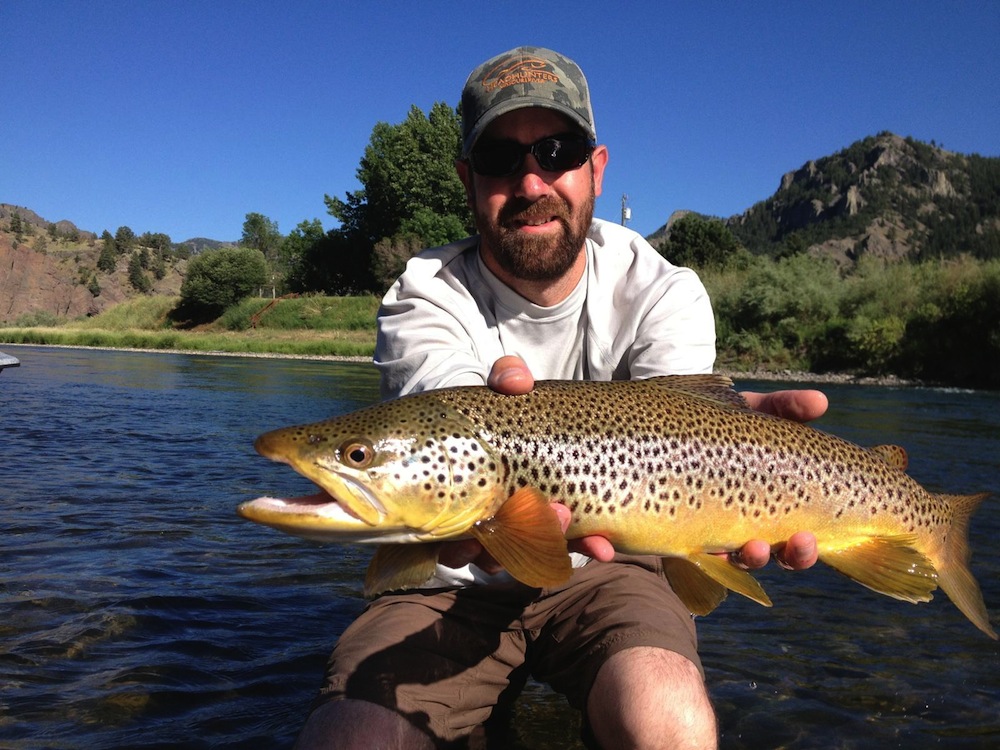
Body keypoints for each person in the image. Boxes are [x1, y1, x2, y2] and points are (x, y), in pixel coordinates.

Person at [295, 46, 825, 750]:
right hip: (452, 573)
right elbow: (439, 432)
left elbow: (683, 447)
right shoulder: (422, 293)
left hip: (614, 564)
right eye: (500, 158)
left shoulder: (664, 290)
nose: (532, 179)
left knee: (670, 725)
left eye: (557, 149)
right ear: (466, 178)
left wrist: (742, 476)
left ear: (596, 169)